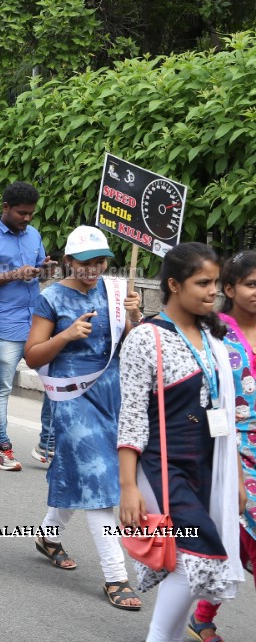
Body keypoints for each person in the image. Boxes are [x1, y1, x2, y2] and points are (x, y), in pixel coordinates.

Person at [119, 243, 243, 641]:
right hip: (162, 466)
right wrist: (128, 488)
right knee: (196, 557)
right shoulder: (146, 338)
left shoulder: (213, 335)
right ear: (173, 284)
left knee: (187, 564)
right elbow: (132, 416)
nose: (214, 292)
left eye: (216, 283)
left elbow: (225, 414)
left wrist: (236, 476)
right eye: (202, 283)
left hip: (208, 465)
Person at [23, 226, 143, 610]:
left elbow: (131, 344)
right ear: (69, 262)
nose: (94, 268)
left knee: (83, 470)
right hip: (71, 395)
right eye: (86, 262)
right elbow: (33, 356)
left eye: (100, 261)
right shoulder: (51, 298)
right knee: (99, 476)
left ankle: (47, 535)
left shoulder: (115, 292)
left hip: (112, 392)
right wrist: (66, 336)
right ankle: (115, 576)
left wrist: (135, 317)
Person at [189, 250, 256, 642]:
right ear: (229, 289)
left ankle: (201, 614)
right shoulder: (216, 333)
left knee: (236, 539)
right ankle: (195, 613)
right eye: (251, 285)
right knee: (236, 533)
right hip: (230, 445)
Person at [0, 181, 54, 471]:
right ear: (5, 208)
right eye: (22, 213)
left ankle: (47, 443)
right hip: (4, 324)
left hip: (36, 323)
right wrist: (13, 274)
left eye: (31, 213)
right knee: (2, 387)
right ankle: (1, 446)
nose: (27, 219)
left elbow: (38, 275)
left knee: (54, 383)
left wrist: (44, 270)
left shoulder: (33, 235)